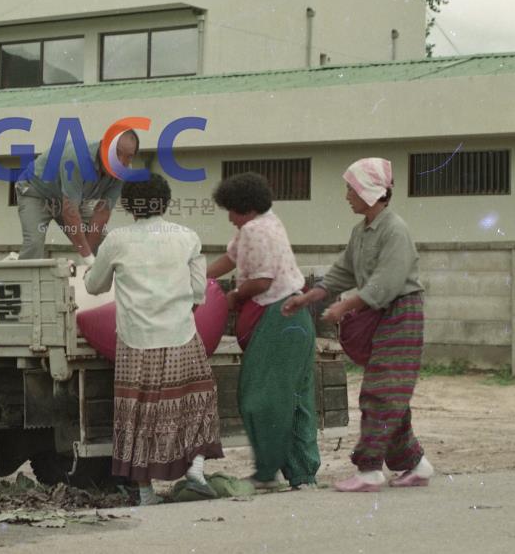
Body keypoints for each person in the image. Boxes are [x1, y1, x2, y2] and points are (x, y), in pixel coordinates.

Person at [282, 157, 434, 493]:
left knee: (381, 392)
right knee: (390, 393)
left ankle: (369, 470)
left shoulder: (395, 230)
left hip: (401, 314)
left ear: (368, 191)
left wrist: (345, 305)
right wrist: (307, 298)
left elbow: (386, 282)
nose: (346, 195)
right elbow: (342, 272)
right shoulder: (362, 231)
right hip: (381, 315)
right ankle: (415, 463)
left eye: (351, 188)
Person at [84, 172, 223, 504]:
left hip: (136, 341)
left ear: (129, 206)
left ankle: (146, 493)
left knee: (140, 414)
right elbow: (199, 291)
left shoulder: (117, 240)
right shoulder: (187, 236)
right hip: (181, 335)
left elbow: (94, 286)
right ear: (166, 202)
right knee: (196, 402)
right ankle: (197, 467)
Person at [206, 172, 320, 491]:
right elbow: (231, 258)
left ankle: (270, 471)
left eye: (231, 210)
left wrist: (230, 297)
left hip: (280, 317)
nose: (229, 218)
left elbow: (262, 281)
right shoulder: (266, 223)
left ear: (245, 208)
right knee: (292, 397)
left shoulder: (256, 229)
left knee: (262, 397)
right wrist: (199, 277)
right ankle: (301, 472)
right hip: (293, 319)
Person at [16, 131, 139, 260]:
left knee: (102, 244)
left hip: (69, 198)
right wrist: (87, 257)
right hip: (36, 191)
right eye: (116, 153)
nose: (120, 161)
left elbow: (102, 212)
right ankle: (23, 279)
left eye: (129, 156)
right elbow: (70, 212)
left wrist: (90, 259)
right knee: (34, 243)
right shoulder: (77, 157)